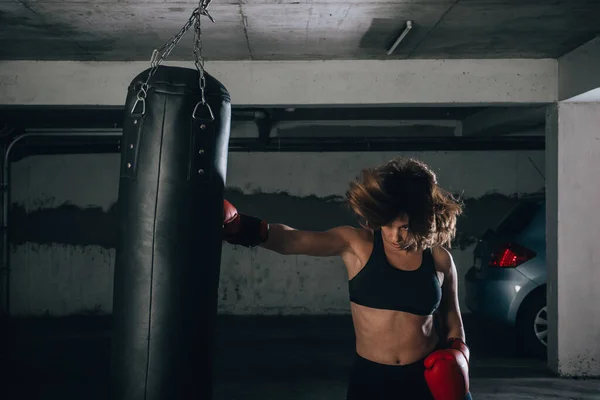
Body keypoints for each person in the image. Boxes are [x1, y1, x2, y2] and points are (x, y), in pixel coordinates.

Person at [222, 157, 472, 400]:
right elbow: (292, 240)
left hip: (425, 376)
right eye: (387, 225)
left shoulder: (439, 259)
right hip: (372, 377)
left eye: (405, 227)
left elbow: (452, 316)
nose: (395, 236)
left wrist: (458, 354)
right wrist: (242, 227)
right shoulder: (356, 245)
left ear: (420, 220)